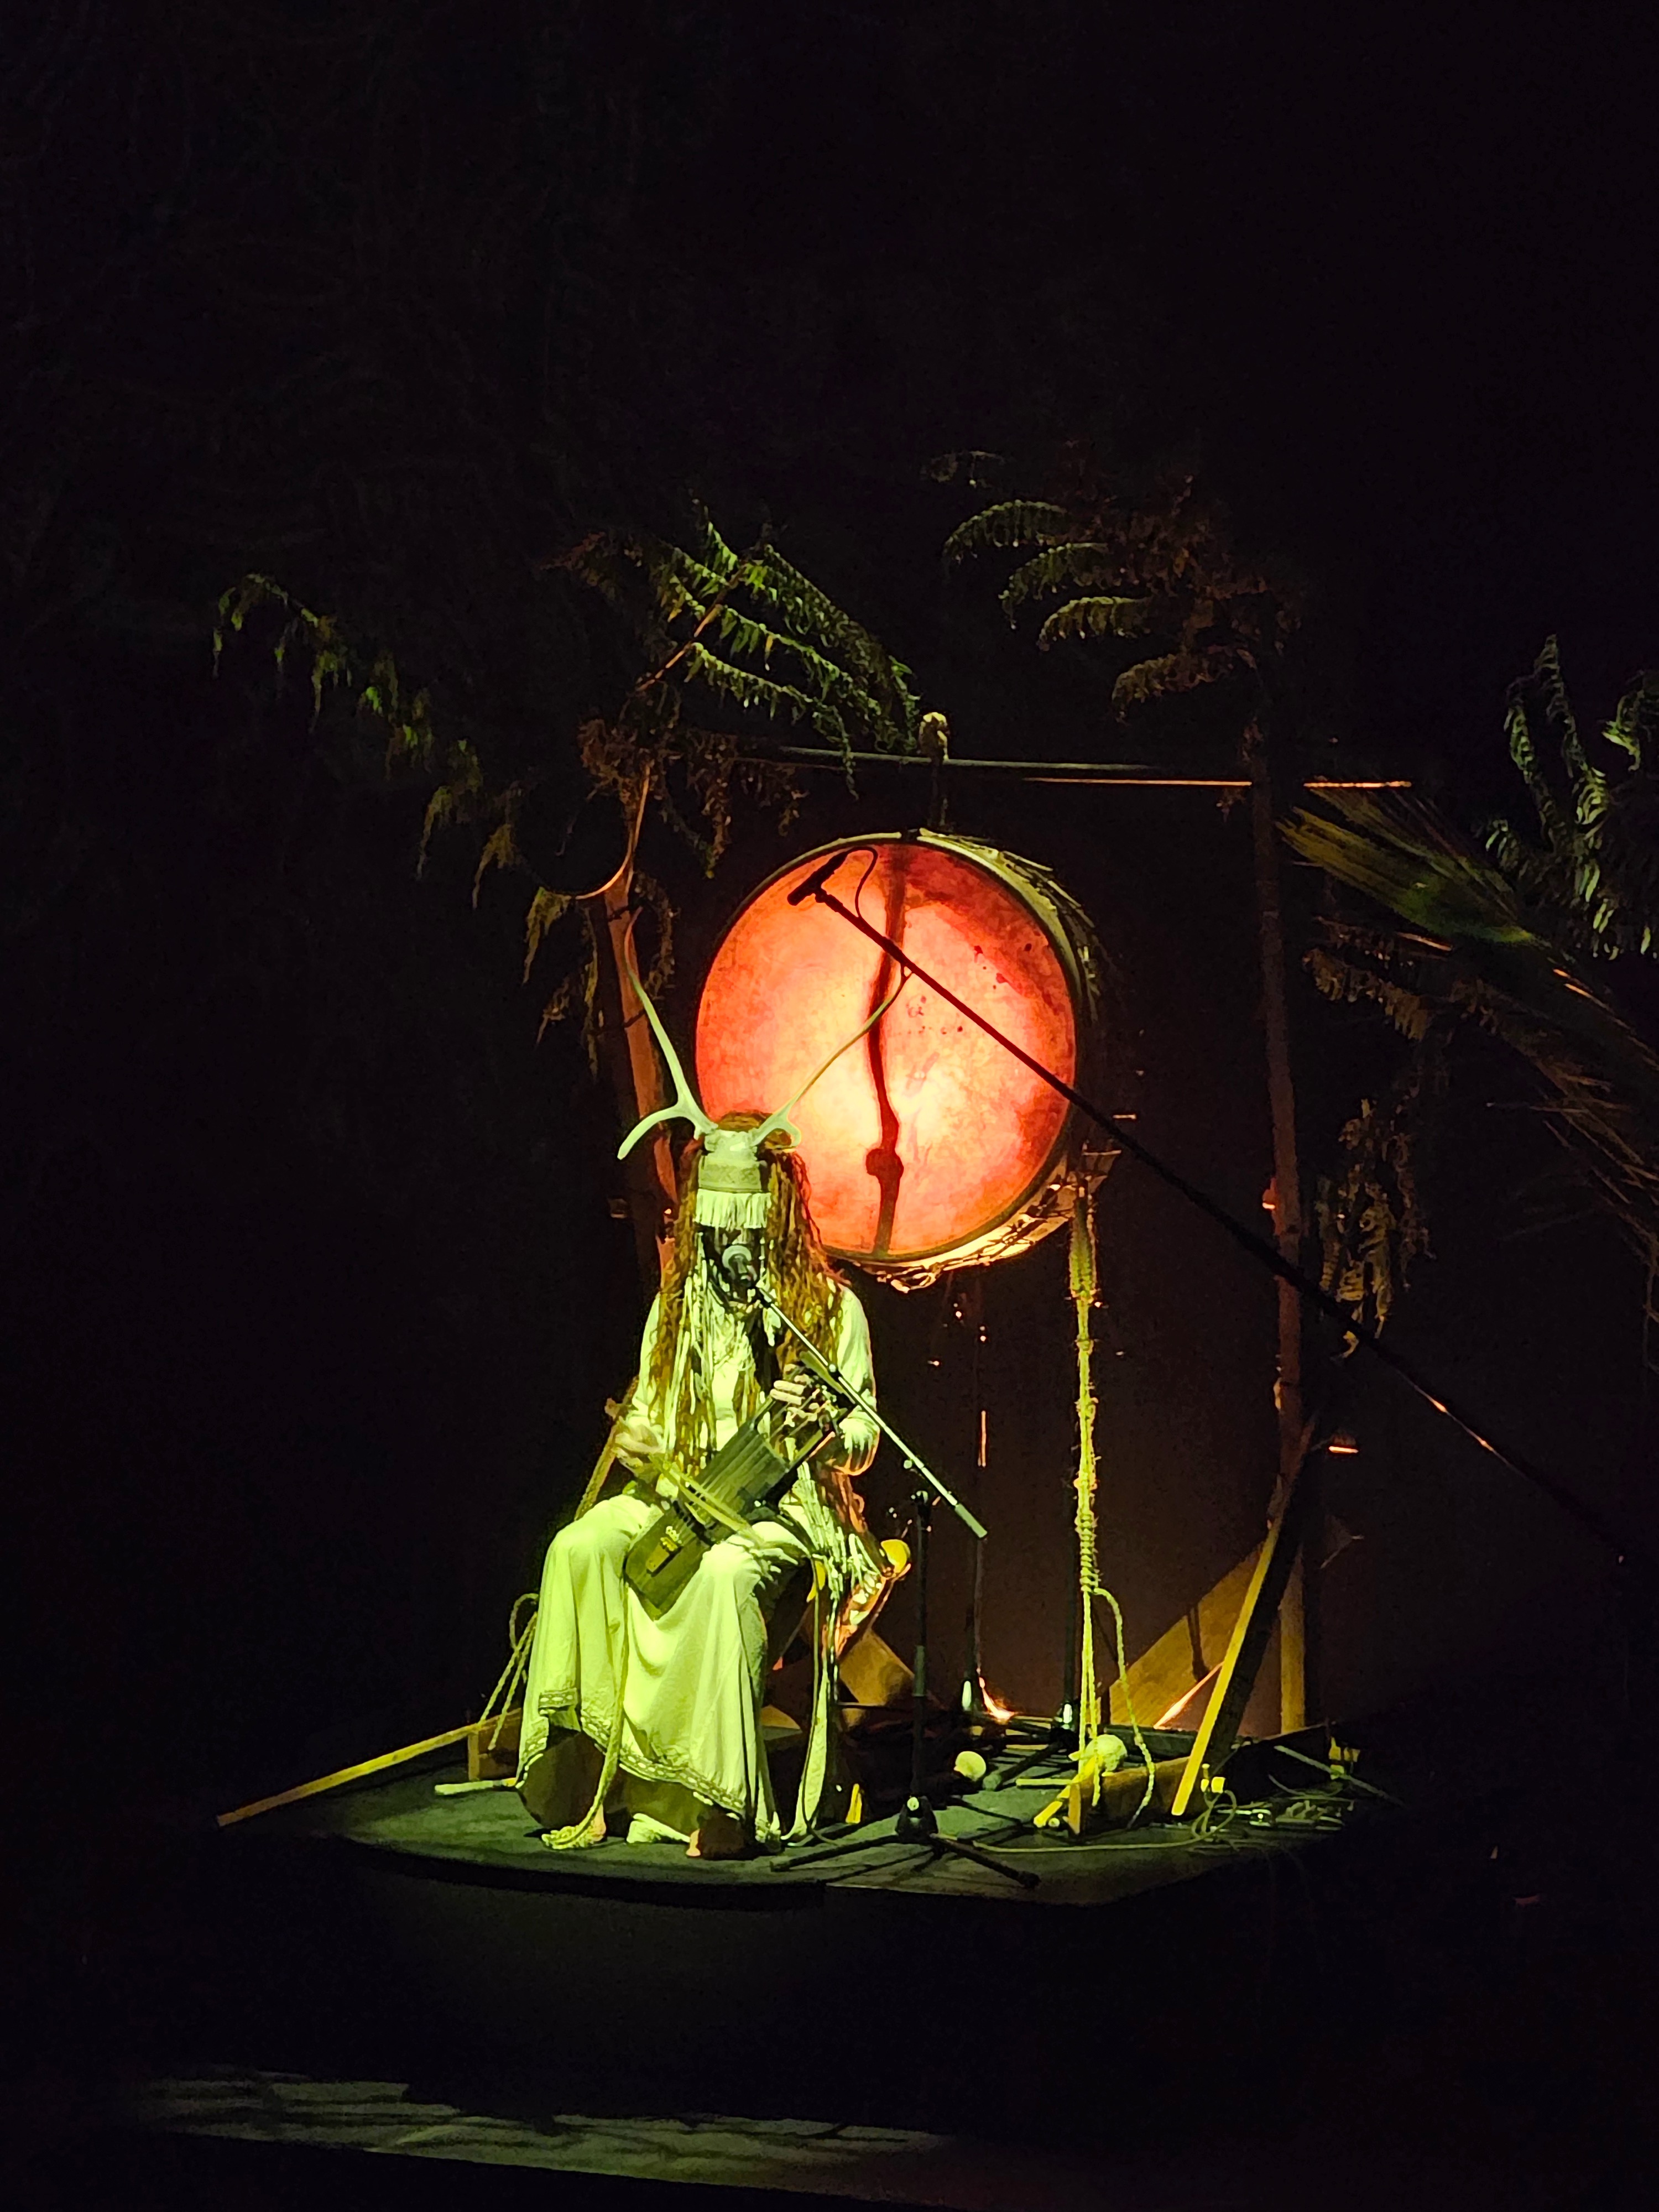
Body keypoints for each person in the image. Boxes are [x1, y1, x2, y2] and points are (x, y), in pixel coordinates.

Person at [517, 1114, 883, 1858]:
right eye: (718, 1225)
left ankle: (719, 1801)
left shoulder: (828, 1311)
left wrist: (825, 1427)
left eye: (747, 1224)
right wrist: (639, 1444)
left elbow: (865, 1443)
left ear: (777, 1218)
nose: (733, 1242)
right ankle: (589, 1781)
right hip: (679, 1498)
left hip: (783, 1512)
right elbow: (648, 1419)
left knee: (722, 1577)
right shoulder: (676, 1309)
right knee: (579, 1549)